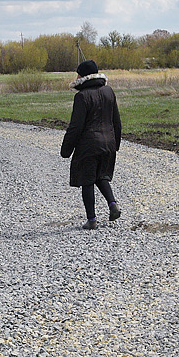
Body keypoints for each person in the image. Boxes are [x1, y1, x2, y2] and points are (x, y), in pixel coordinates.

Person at [60, 59, 122, 230]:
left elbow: (76, 127)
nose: (76, 76)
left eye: (78, 73)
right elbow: (116, 121)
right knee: (101, 176)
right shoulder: (109, 91)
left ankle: (92, 220)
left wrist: (66, 149)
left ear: (84, 75)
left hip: (89, 145)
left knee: (87, 180)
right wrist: (115, 143)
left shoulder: (81, 96)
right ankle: (112, 205)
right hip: (108, 142)